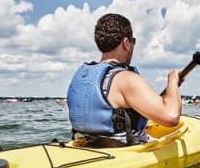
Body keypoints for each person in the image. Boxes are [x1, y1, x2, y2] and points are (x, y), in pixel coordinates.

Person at [67, 13, 182, 147]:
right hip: (122, 152)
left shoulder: (83, 76)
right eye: (133, 41)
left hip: (86, 146)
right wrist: (172, 82)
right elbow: (171, 117)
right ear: (126, 43)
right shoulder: (126, 79)